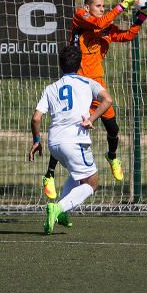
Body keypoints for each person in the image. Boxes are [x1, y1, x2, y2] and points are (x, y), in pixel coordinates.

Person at [41, 0, 147, 199]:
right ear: (87, 6)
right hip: (77, 84)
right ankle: (49, 175)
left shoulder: (105, 28)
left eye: (103, 7)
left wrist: (142, 16)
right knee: (68, 131)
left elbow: (127, 35)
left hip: (96, 85)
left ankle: (112, 156)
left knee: (113, 127)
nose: (101, 10)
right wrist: (122, 6)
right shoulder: (80, 17)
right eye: (98, 6)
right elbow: (98, 22)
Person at [29, 44, 113, 234]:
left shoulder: (50, 88)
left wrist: (36, 140)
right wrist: (90, 119)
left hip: (55, 143)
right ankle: (58, 208)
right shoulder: (87, 82)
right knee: (92, 183)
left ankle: (60, 212)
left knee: (76, 174)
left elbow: (36, 118)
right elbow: (107, 100)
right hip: (75, 140)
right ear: (80, 63)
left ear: (60, 65)